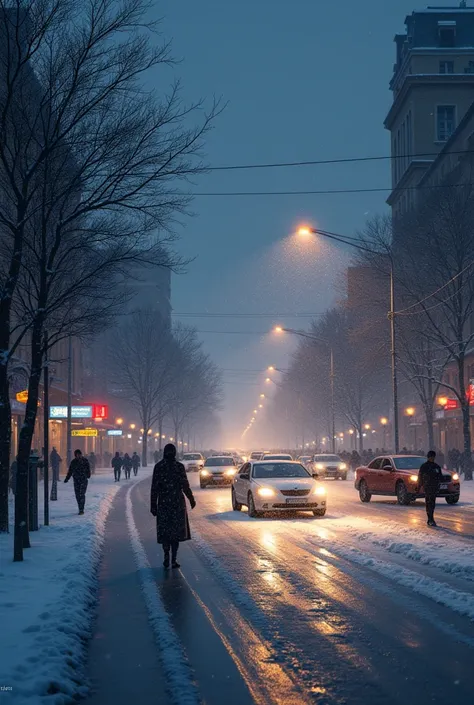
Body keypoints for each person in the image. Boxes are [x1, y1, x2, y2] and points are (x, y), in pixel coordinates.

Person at [150, 443, 196, 569]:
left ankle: (166, 555)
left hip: (164, 503)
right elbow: (185, 485)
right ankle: (174, 559)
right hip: (177, 503)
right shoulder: (179, 467)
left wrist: (153, 504)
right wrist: (191, 498)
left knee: (165, 532)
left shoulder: (159, 467)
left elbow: (154, 487)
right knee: (176, 533)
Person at [418, 450, 444, 527]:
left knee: (432, 503)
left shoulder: (436, 466)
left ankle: (431, 518)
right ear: (428, 457)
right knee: (429, 502)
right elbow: (420, 477)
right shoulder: (424, 466)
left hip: (434, 487)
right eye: (431, 457)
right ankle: (430, 518)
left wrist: (440, 482)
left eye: (433, 457)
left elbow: (440, 477)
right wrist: (419, 486)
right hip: (427, 487)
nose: (432, 458)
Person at [64, 449, 91, 515]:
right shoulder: (73, 462)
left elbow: (88, 469)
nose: (79, 456)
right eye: (77, 455)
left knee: (82, 494)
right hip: (76, 480)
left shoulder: (85, 461)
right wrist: (67, 478)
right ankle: (80, 507)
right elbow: (70, 471)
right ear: (75, 455)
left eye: (80, 454)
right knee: (77, 495)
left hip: (83, 480)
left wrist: (88, 475)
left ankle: (81, 509)